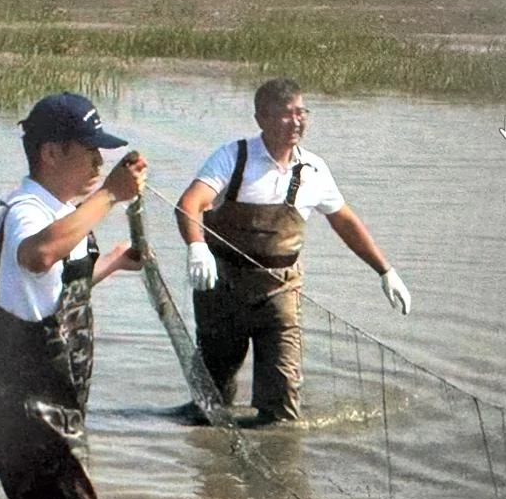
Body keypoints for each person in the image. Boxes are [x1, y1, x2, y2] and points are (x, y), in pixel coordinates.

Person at [0, 91, 147, 499]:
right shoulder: (28, 211)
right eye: (89, 151)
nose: (100, 163)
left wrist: (115, 261)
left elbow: (54, 290)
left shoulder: (60, 212)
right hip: (28, 403)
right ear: (50, 153)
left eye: (103, 154)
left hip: (45, 399)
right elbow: (39, 255)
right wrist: (113, 195)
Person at [175, 77, 411, 424]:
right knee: (210, 401)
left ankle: (278, 455)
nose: (296, 121)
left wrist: (385, 271)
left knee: (282, 404)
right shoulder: (234, 157)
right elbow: (189, 204)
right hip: (222, 290)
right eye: (286, 114)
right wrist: (197, 247)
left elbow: (344, 221)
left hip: (280, 291)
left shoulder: (314, 170)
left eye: (302, 112)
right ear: (262, 118)